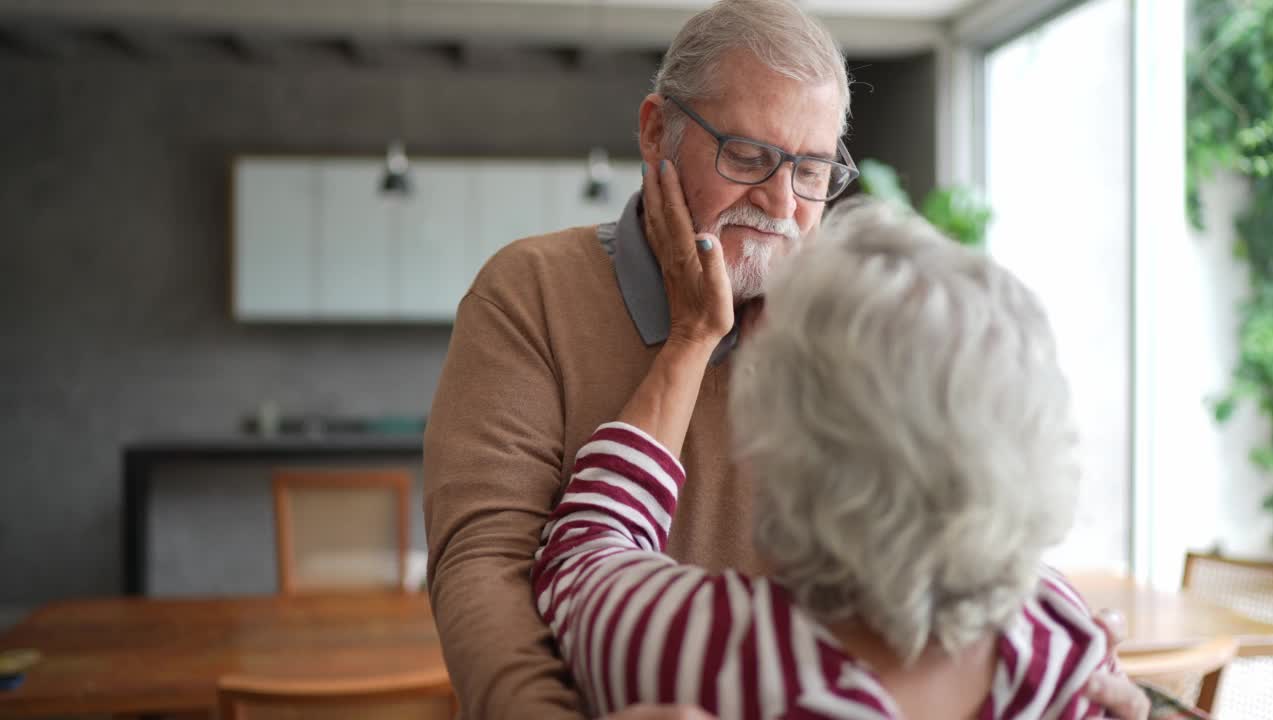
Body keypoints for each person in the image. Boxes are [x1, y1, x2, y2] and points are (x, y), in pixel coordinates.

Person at [422, 1, 1149, 718]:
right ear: (655, 132)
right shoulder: (531, 288)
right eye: (748, 156)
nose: (780, 202)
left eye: (811, 171)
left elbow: (950, 517)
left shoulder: (851, 309)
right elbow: (484, 566)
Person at [533, 187, 1112, 718]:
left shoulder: (714, 652)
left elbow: (581, 555)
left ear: (783, 450)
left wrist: (691, 338)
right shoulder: (1065, 644)